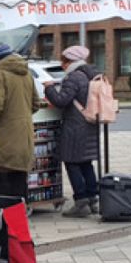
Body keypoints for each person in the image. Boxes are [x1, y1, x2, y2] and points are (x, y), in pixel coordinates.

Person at [43, 45, 100, 218]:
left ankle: (81, 201)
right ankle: (93, 199)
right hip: (89, 124)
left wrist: (49, 88)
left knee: (72, 163)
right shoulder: (91, 74)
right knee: (86, 163)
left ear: (71, 61)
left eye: (64, 61)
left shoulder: (73, 77)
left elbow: (61, 100)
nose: (62, 65)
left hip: (75, 127)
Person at [0, 43, 42, 202]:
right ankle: (19, 221)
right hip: (24, 138)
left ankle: (4, 222)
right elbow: (36, 103)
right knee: (19, 183)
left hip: (3, 139)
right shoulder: (26, 73)